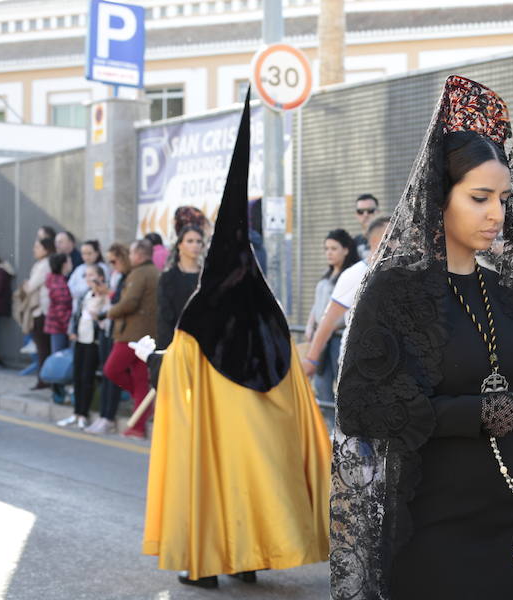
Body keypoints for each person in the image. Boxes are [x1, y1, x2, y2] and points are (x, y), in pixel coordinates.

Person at [330, 76, 513, 600]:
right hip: (433, 534)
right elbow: (362, 406)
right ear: (438, 199)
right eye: (479, 197)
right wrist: (470, 414)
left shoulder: (511, 297)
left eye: (504, 197)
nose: (497, 213)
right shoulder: (395, 293)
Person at [140, 96, 331, 588]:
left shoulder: (200, 314)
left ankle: (207, 564)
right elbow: (292, 385)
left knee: (211, 481)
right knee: (252, 481)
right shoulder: (266, 308)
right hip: (259, 428)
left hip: (214, 425)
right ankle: (246, 558)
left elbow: (182, 384)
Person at [301, 217, 388, 379]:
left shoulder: (405, 272)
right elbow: (328, 319)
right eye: (396, 235)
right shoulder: (355, 274)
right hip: (358, 363)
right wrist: (311, 360)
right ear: (380, 241)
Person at [101, 239, 159, 439]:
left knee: (111, 370)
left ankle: (141, 407)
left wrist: (110, 312)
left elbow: (130, 302)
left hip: (132, 335)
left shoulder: (140, 273)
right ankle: (138, 426)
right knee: (141, 381)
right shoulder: (154, 272)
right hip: (146, 335)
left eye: (132, 253)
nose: (129, 257)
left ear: (139, 255)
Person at [303, 228, 359, 406]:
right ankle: (328, 426)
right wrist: (311, 325)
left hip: (337, 338)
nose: (329, 253)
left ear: (346, 250)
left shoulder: (350, 276)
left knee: (341, 381)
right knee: (321, 384)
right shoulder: (328, 275)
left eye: (334, 248)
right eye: (326, 248)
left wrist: (331, 326)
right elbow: (318, 304)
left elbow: (348, 310)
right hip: (321, 338)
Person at [58, 265, 107, 430]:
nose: (89, 278)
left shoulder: (104, 296)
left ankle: (84, 413)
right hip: (80, 339)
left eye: (92, 275)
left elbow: (105, 318)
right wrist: (72, 330)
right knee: (77, 376)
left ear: (100, 276)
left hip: (93, 342)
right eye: (87, 276)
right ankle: (76, 412)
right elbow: (76, 314)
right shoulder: (84, 295)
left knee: (87, 377)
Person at [84, 252, 121, 436]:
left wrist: (107, 292)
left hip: (114, 330)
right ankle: (103, 416)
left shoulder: (121, 277)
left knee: (111, 374)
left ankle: (109, 417)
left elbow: (119, 301)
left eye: (114, 260)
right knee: (105, 373)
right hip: (104, 329)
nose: (112, 264)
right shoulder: (114, 276)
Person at [156, 226, 203, 350]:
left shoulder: (206, 277)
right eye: (190, 241)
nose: (195, 245)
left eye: (199, 241)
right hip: (176, 343)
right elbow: (164, 315)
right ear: (180, 245)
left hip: (203, 342)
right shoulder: (168, 278)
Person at [16, 237, 54, 390]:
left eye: (37, 247)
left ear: (46, 249)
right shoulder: (41, 264)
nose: (34, 250)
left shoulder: (45, 265)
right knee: (42, 348)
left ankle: (43, 380)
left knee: (43, 348)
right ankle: (43, 379)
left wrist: (26, 285)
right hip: (40, 311)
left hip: (42, 311)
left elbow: (30, 286)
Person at [45, 253, 73, 403]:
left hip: (55, 326)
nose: (71, 263)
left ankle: (58, 393)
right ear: (63, 264)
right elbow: (62, 310)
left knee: (57, 358)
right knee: (59, 360)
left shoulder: (54, 280)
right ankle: (58, 394)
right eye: (68, 260)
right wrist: (70, 328)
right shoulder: (60, 284)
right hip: (60, 327)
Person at [352, 193, 381, 259]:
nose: (365, 215)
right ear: (356, 214)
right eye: (360, 211)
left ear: (378, 212)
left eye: (370, 211)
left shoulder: (389, 239)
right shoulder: (352, 244)